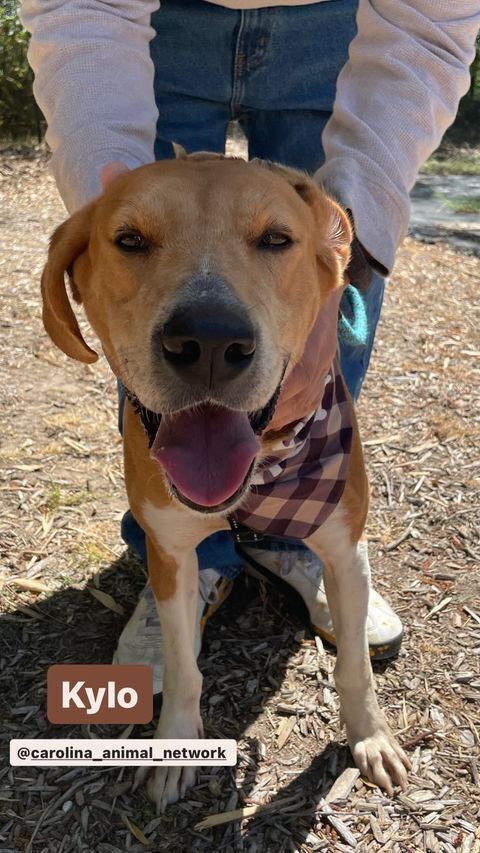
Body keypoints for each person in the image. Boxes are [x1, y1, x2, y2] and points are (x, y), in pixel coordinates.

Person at [21, 0, 479, 693]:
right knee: (160, 337)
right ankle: (180, 554)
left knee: (317, 347)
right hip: (145, 21)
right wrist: (106, 206)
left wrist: (346, 242)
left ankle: (298, 533)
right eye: (134, 243)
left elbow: (432, 19)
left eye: (272, 241)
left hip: (348, 25)